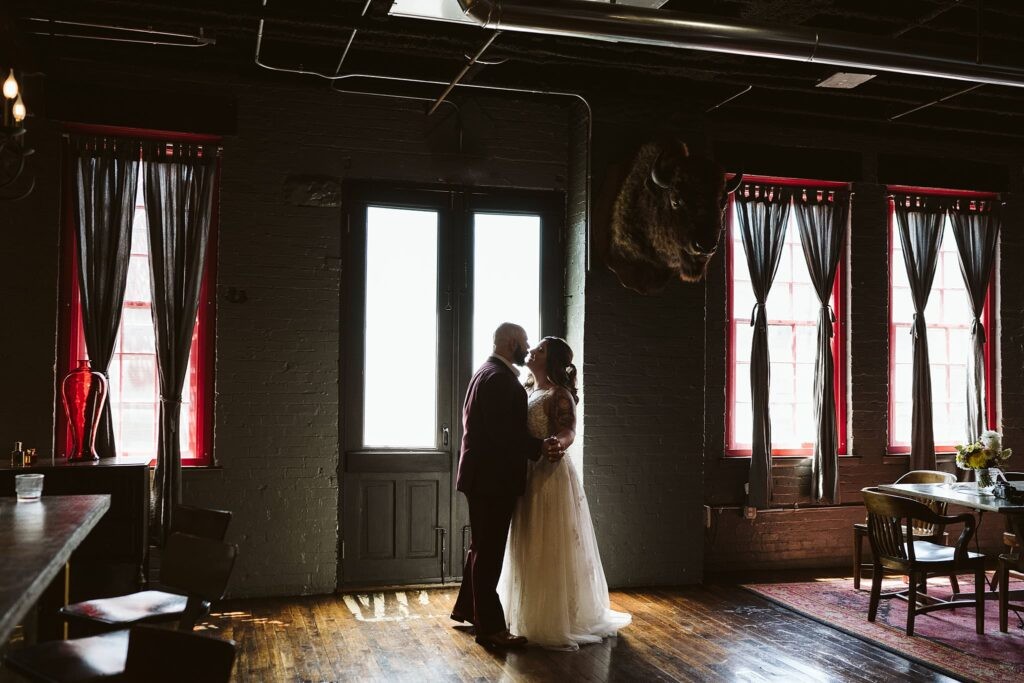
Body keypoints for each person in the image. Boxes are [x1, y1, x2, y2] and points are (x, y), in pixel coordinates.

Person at [498, 336, 631, 650]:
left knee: (550, 542)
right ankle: (523, 612)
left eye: (541, 349)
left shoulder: (560, 395)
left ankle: (553, 618)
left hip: (550, 472)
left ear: (552, 360)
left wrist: (558, 443)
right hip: (528, 473)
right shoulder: (530, 390)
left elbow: (569, 429)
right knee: (528, 540)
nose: (533, 351)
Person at [451, 323, 561, 649]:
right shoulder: (499, 378)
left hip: (482, 477)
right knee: (489, 554)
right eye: (525, 342)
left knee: (480, 549)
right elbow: (504, 435)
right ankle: (492, 630)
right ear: (511, 342)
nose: (527, 348)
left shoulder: (486, 372)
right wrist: (537, 447)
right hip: (491, 480)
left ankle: (469, 609)